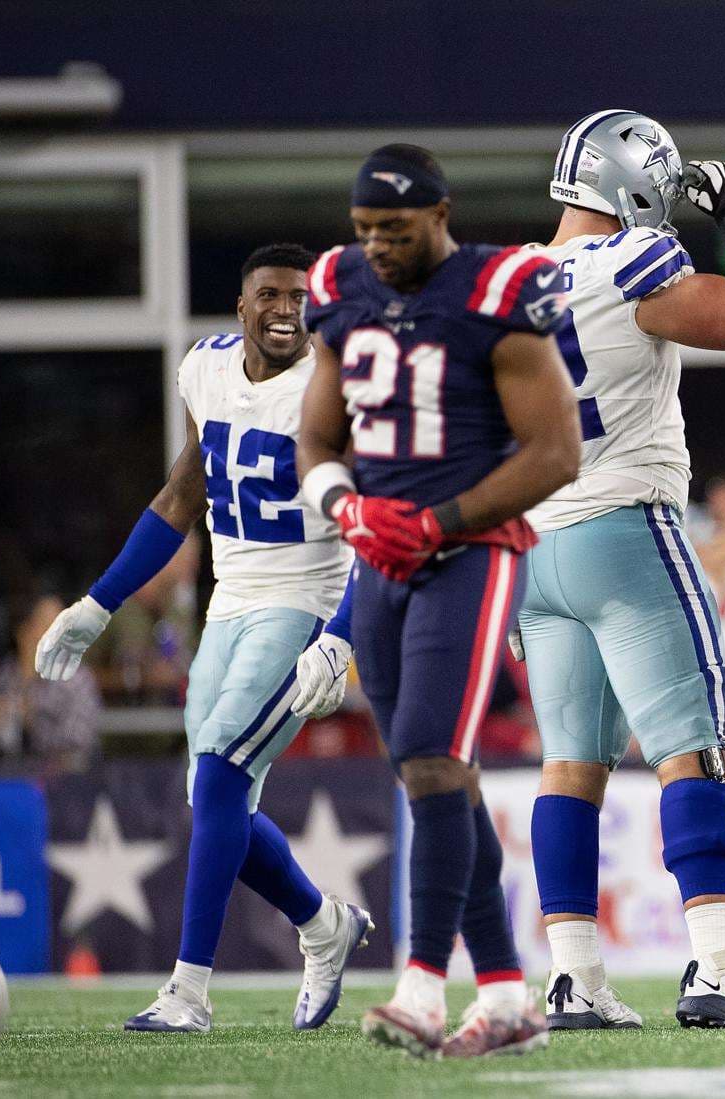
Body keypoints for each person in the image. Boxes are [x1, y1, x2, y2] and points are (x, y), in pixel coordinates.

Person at [516, 109, 725, 1031]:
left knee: (568, 766)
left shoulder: (506, 280)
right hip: (625, 527)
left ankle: (575, 976)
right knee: (692, 746)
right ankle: (722, 961)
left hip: (534, 548)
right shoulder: (628, 264)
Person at [33, 244, 371, 1034]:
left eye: (299, 297)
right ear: (242, 304)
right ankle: (324, 924)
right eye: (270, 295)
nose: (286, 309)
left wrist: (342, 635)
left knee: (218, 772)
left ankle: (188, 990)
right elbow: (185, 493)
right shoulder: (207, 369)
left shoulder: (338, 387)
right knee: (212, 798)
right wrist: (99, 602)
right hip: (229, 607)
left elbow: (375, 522)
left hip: (302, 604)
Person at [297, 145, 581, 1057]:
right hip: (379, 555)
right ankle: (503, 995)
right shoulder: (340, 287)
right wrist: (346, 505)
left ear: (441, 214)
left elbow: (554, 453)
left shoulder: (497, 290)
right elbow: (317, 435)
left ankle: (422, 987)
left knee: (426, 754)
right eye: (367, 230)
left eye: (398, 229)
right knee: (438, 774)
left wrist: (440, 520)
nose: (379, 246)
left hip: (471, 553)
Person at [0, 594, 100, 773]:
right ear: (25, 630)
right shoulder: (3, 677)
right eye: (48, 625)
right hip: (11, 779)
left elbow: (78, 742)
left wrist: (32, 723)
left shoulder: (78, 679)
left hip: (67, 781)